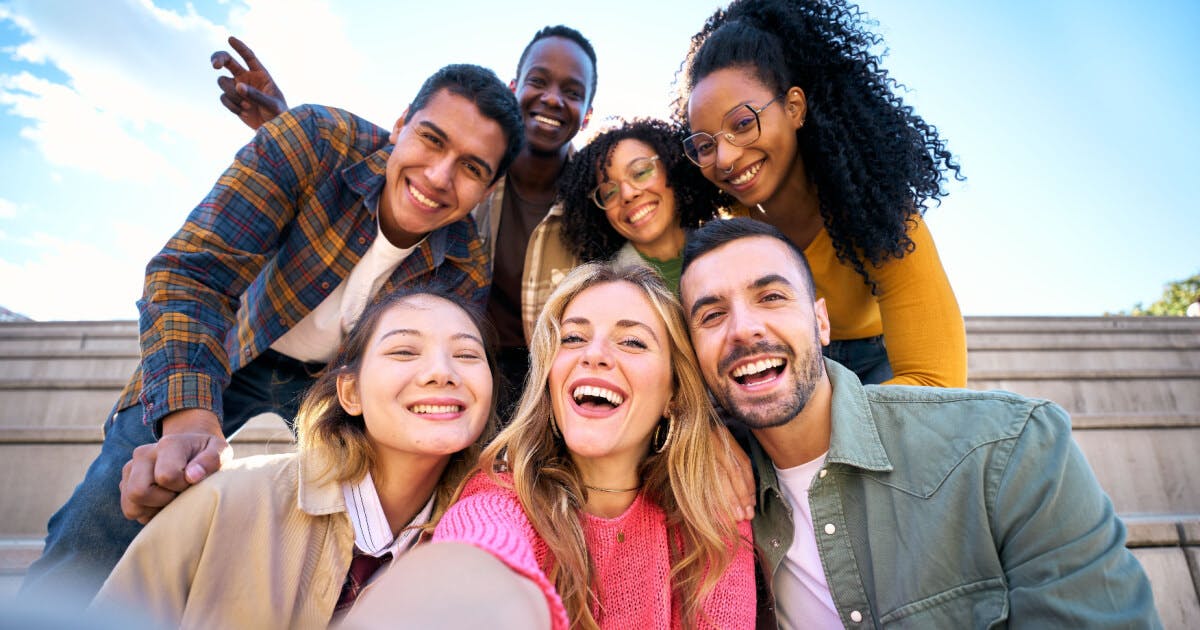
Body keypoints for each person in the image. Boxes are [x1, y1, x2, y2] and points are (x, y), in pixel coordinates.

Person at [22, 63, 524, 605]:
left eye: (471, 168)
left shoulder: (464, 264)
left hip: (333, 385)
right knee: (106, 507)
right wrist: (189, 417)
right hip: (232, 347)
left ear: (489, 188)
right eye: (431, 139)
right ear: (401, 123)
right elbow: (192, 270)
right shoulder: (311, 139)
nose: (438, 176)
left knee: (344, 519)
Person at [678, 218, 1161, 628]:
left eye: (771, 297)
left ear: (821, 322)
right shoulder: (700, 493)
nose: (743, 329)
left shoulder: (1007, 447)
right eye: (713, 315)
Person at [342, 263, 756, 629]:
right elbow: (474, 565)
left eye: (632, 342)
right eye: (573, 338)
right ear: (549, 376)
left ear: (674, 394)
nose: (594, 355)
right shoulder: (499, 497)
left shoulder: (713, 509)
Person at [212, 27, 598, 415]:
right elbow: (388, 157)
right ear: (514, 87)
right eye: (538, 81)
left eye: (572, 92)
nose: (552, 98)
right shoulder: (444, 164)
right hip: (264, 343)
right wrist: (288, 132)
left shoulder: (591, 196)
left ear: (587, 116)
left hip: (510, 370)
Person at [91, 287, 500, 628]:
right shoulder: (223, 502)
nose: (442, 372)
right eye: (405, 352)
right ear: (350, 393)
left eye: (467, 355)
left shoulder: (489, 545)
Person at [677, 0, 967, 387]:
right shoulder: (731, 227)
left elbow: (936, 383)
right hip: (795, 351)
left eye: (743, 123)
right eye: (704, 145)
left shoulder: (873, 209)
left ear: (795, 108)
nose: (725, 157)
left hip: (879, 354)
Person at [556, 118, 726, 293]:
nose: (627, 194)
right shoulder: (606, 291)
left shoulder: (731, 244)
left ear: (672, 166)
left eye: (641, 172)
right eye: (609, 193)